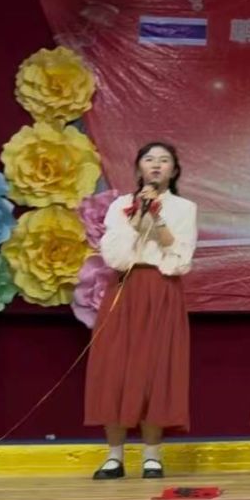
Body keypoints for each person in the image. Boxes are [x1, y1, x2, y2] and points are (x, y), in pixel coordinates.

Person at [87, 142, 198, 480]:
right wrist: (137, 216)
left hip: (162, 291)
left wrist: (157, 217)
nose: (156, 165)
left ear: (174, 170)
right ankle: (114, 456)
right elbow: (116, 257)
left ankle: (152, 455)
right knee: (115, 369)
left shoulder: (185, 208)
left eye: (164, 160)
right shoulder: (120, 205)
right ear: (138, 168)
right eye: (149, 160)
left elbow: (180, 259)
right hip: (125, 290)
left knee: (155, 370)